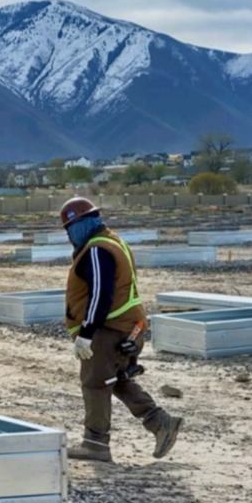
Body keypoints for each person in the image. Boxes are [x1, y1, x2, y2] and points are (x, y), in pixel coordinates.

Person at [61, 196, 183, 462]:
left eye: (70, 228)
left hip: (110, 328)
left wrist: (86, 334)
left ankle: (95, 445)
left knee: (94, 383)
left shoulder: (97, 250)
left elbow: (100, 296)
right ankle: (160, 422)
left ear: (80, 224)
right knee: (115, 379)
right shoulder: (112, 242)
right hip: (128, 326)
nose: (70, 235)